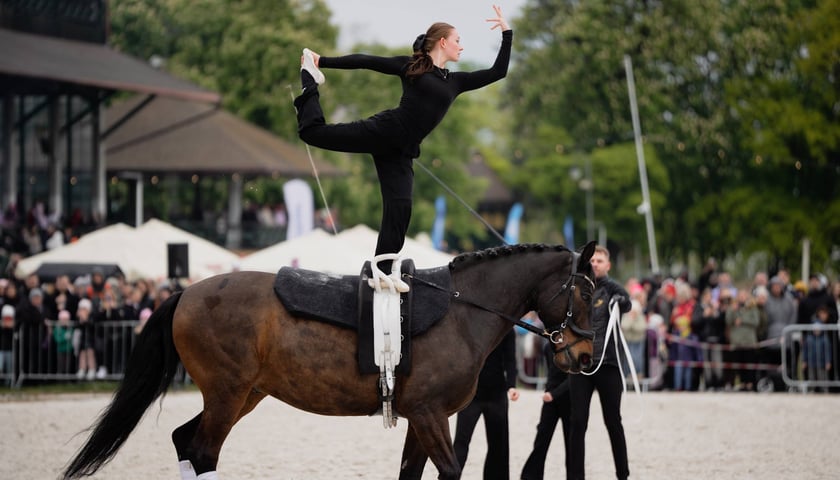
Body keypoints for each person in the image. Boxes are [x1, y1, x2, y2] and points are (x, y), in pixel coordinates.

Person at [294, 6, 512, 289]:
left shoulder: (456, 82)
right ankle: (308, 78)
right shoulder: (412, 68)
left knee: (401, 208)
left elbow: (499, 71)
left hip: (402, 152)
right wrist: (322, 60)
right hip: (384, 131)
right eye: (458, 40)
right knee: (313, 133)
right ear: (443, 42)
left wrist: (506, 33)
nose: (462, 46)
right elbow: (367, 61)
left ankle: (381, 273)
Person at [567, 245, 631, 480]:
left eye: (600, 260)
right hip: (581, 365)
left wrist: (620, 300)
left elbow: (627, 303)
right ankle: (575, 476)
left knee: (613, 421)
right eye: (592, 260)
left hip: (608, 364)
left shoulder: (613, 288)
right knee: (577, 422)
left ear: (608, 265)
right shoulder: (578, 286)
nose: (595, 263)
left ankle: (622, 474)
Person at [453, 330, 519, 479]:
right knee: (461, 442)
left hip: (497, 394)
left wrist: (512, 385)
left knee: (498, 444)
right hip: (470, 396)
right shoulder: (474, 324)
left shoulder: (507, 330)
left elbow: (510, 359)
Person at [520, 339, 571, 480]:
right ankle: (530, 476)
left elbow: (574, 378)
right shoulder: (548, 347)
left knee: (571, 443)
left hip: (570, 399)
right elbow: (551, 374)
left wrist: (553, 394)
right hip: (550, 399)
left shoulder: (573, 347)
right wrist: (550, 392)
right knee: (542, 437)